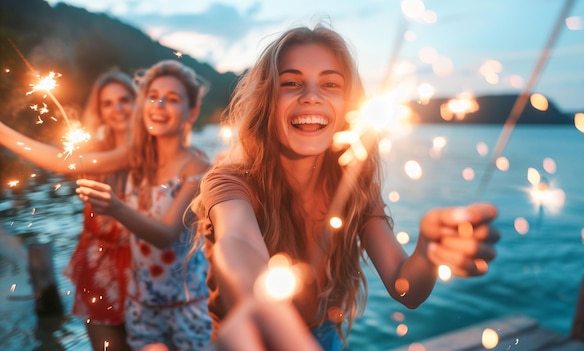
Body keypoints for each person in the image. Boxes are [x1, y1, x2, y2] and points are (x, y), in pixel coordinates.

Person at [190, 23, 500, 351]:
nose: (311, 96)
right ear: (267, 101)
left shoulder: (356, 187)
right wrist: (262, 304)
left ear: (348, 108)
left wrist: (427, 252)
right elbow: (237, 241)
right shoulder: (230, 180)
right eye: (291, 83)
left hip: (325, 335)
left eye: (330, 84)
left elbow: (406, 290)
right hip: (246, 338)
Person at [0, 60, 213, 351]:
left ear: (192, 112)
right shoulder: (135, 156)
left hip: (182, 305)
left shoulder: (195, 164)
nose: (160, 104)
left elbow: (166, 234)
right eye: (153, 97)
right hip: (142, 303)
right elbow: (63, 161)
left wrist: (115, 207)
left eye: (172, 99)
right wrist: (3, 133)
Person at [63, 69, 135, 351]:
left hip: (141, 268)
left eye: (124, 99)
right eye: (107, 103)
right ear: (100, 111)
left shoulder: (151, 150)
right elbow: (63, 161)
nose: (117, 109)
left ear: (137, 102)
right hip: (97, 267)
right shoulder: (90, 152)